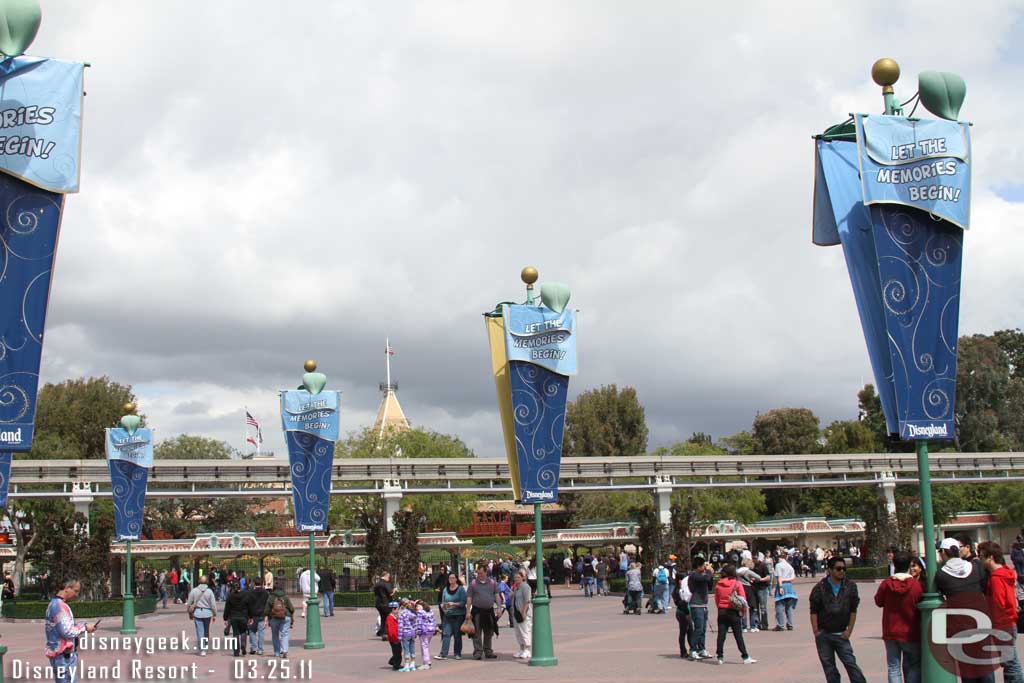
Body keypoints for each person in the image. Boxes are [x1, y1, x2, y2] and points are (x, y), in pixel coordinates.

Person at [810, 557, 866, 683]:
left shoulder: (850, 586)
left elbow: (853, 609)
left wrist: (849, 630)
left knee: (851, 665)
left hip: (841, 634)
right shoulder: (820, 588)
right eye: (838, 568)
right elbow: (813, 610)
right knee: (829, 668)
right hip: (824, 634)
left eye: (844, 569)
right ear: (830, 570)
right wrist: (816, 631)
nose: (842, 571)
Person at [874, 551, 922, 683]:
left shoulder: (886, 584)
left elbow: (878, 601)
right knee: (913, 665)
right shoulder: (916, 586)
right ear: (908, 565)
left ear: (894, 565)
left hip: (890, 630)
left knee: (893, 667)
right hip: (910, 631)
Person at [980, 543, 1023, 683]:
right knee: (1010, 662)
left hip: (1002, 625)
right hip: (1010, 622)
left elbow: (998, 605)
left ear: (990, 558)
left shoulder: (996, 578)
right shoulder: (1006, 573)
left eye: (982, 557)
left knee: (1011, 664)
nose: (980, 560)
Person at [45, 577, 96, 683]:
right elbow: (67, 631)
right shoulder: (59, 607)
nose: (76, 594)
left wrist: (83, 625)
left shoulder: (54, 604)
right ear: (67, 588)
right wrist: (85, 628)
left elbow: (65, 626)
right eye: (76, 591)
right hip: (63, 656)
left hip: (60, 654)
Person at [713, 564, 756, 665]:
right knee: (738, 635)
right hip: (733, 611)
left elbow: (716, 599)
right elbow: (743, 599)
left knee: (721, 635)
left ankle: (720, 656)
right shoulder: (737, 583)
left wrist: (720, 607)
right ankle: (745, 656)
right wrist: (743, 612)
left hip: (722, 610)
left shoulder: (719, 584)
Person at [464, 566, 502, 660]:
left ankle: (488, 651)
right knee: (476, 633)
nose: (479, 575)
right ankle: (478, 652)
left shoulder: (492, 583)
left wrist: (499, 608)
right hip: (477, 611)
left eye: (481, 573)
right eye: (478, 573)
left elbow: (497, 595)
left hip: (489, 611)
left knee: (489, 632)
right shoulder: (473, 583)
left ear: (486, 572)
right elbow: (469, 598)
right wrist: (468, 611)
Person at [687, 556, 714, 660]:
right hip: (696, 604)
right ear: (698, 566)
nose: (704, 567)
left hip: (703, 604)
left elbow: (709, 584)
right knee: (698, 628)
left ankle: (701, 649)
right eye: (703, 566)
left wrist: (709, 574)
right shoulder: (694, 575)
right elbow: (705, 578)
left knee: (703, 629)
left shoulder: (703, 575)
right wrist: (709, 571)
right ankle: (692, 650)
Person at [186, 575, 217, 656]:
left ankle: (202, 649)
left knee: (200, 631)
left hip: (197, 612)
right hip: (207, 613)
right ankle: (205, 646)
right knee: (206, 631)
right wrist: (214, 614)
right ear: (207, 581)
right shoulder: (209, 591)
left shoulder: (194, 591)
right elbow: (213, 604)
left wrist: (189, 612)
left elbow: (189, 603)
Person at [437, 573, 466, 660]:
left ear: (456, 579)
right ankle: (443, 653)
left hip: (458, 615)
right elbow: (443, 601)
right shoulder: (445, 589)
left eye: (453, 578)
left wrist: (454, 604)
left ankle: (457, 653)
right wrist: (442, 605)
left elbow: (463, 602)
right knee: (446, 634)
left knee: (457, 635)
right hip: (448, 615)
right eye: (450, 578)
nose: (451, 579)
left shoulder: (461, 589)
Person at [263, 580, 294, 659]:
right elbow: (292, 608)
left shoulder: (271, 596)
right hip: (285, 616)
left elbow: (267, 609)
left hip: (274, 617)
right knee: (285, 634)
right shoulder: (285, 596)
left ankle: (277, 652)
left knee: (275, 635)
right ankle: (285, 650)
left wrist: (266, 619)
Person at [223, 581, 252, 657]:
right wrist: (250, 616)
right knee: (243, 632)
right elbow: (249, 606)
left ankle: (236, 651)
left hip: (233, 617)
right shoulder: (245, 595)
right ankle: (243, 644)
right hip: (243, 616)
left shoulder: (230, 596)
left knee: (235, 633)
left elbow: (227, 608)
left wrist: (225, 618)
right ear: (240, 587)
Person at [773, 549, 798, 631]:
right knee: (789, 607)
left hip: (782, 585)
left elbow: (779, 577)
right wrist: (786, 579)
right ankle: (790, 624)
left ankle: (781, 625)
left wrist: (780, 586)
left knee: (779, 606)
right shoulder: (789, 566)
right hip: (789, 586)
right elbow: (793, 577)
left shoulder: (778, 565)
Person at [511, 568, 533, 660]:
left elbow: (527, 601)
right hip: (516, 613)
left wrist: (524, 612)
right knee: (518, 632)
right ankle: (521, 649)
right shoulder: (517, 588)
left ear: (522, 578)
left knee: (525, 631)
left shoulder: (525, 587)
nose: (516, 579)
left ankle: (527, 650)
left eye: (518, 577)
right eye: (515, 578)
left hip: (523, 613)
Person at [672, 568, 692, 658]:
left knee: (689, 631)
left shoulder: (678, 588)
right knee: (685, 631)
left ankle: (691, 648)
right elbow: (681, 602)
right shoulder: (678, 589)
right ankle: (683, 651)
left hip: (682, 611)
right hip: (683, 612)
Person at [246, 579, 269, 656]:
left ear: (254, 583)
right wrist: (266, 616)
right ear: (262, 584)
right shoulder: (265, 593)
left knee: (252, 631)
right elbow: (267, 605)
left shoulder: (251, 593)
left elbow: (248, 605)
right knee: (261, 632)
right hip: (262, 614)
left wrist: (249, 616)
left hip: (253, 615)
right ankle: (260, 649)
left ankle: (253, 647)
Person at [414, 600, 436, 670]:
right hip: (430, 631)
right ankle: (426, 662)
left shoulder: (420, 613)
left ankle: (426, 662)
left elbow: (419, 623)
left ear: (421, 606)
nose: (416, 608)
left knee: (424, 647)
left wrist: (418, 632)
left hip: (424, 631)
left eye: (417, 606)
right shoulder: (431, 611)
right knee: (426, 646)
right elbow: (434, 621)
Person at [398, 599, 418, 672]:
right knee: (412, 649)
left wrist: (399, 636)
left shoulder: (402, 614)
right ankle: (412, 665)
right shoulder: (412, 613)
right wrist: (415, 632)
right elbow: (415, 624)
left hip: (405, 633)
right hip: (412, 633)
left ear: (402, 606)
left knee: (406, 649)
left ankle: (406, 665)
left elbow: (400, 626)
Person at [373, 571, 394, 639]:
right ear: (386, 576)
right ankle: (385, 633)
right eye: (388, 577)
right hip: (386, 603)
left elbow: (375, 593)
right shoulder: (386, 583)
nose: (389, 578)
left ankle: (382, 633)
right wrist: (395, 590)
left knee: (383, 618)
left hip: (378, 603)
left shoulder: (377, 584)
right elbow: (390, 593)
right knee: (387, 618)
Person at [385, 602, 402, 671]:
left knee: (398, 650)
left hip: (396, 637)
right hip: (394, 638)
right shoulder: (390, 618)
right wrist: (395, 638)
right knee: (397, 651)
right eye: (397, 609)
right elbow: (391, 630)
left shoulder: (394, 617)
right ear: (393, 609)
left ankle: (393, 661)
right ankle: (396, 665)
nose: (398, 610)